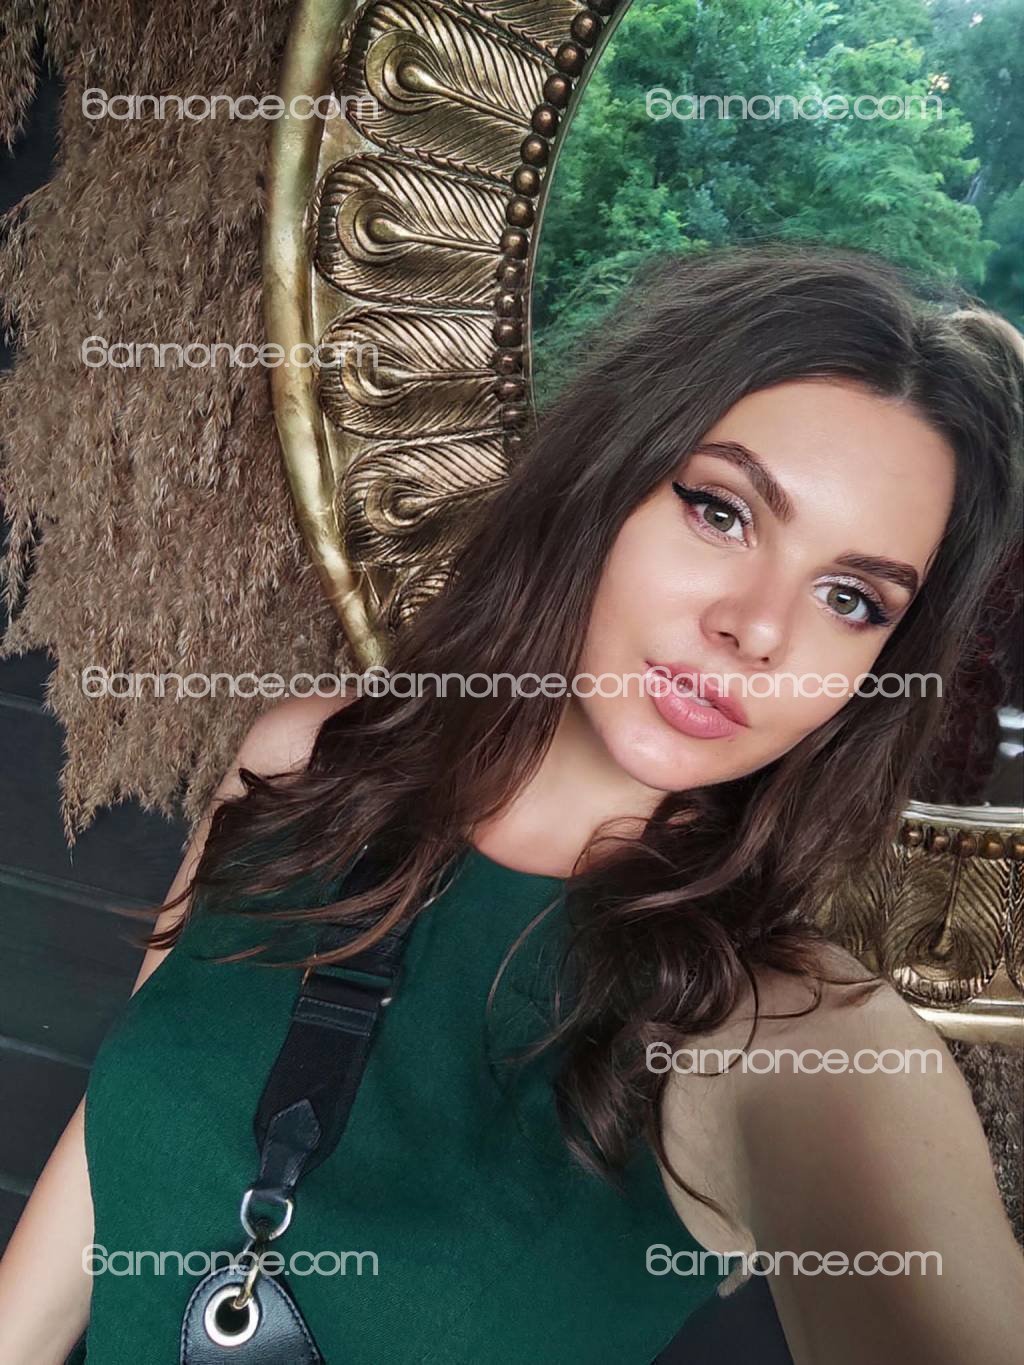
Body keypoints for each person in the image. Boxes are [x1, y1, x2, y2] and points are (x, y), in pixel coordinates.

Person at [1, 244, 1022, 1364]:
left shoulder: (793, 1044)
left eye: (851, 598)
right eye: (722, 512)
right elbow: (118, 1143)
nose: (758, 627)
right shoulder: (306, 760)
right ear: (602, 481)